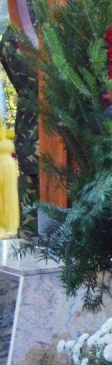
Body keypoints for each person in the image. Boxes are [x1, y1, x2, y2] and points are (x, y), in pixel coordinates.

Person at [0, 17, 38, 236]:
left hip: (28, 138)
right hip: (68, 145)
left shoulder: (12, 31)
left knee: (31, 237)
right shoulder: (65, 22)